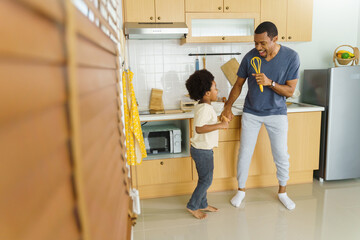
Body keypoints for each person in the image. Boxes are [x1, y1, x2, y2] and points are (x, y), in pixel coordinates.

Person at [221, 21, 300, 210]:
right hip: (252, 112)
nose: (258, 47)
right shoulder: (250, 57)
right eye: (255, 43)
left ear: (275, 39)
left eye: (262, 43)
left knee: (281, 154)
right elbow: (238, 85)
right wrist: (227, 106)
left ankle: (283, 192)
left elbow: (290, 91)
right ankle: (240, 190)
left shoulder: (291, 57)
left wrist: (270, 82)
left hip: (277, 114)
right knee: (245, 153)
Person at [185, 69, 229, 219]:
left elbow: (205, 124)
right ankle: (193, 206)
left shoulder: (204, 106)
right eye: (215, 88)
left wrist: (220, 122)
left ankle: (203, 204)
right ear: (207, 93)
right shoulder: (204, 108)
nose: (217, 91)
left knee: (205, 178)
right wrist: (220, 125)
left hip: (203, 149)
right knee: (206, 180)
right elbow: (200, 128)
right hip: (202, 150)